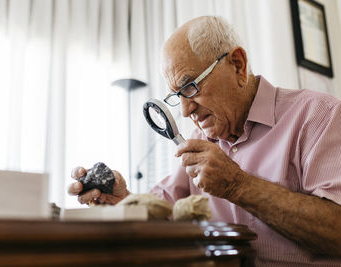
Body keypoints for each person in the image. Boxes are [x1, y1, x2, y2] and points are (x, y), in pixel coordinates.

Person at [68, 16, 341, 266]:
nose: (186, 111)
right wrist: (121, 200)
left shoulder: (319, 116)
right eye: (177, 95)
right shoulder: (199, 139)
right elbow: (162, 212)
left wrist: (237, 186)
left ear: (238, 65)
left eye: (190, 87)